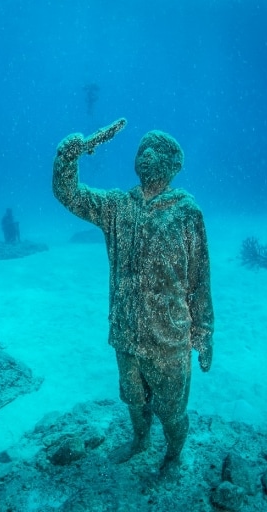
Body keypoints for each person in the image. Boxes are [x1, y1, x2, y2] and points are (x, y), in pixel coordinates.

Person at [52, 119, 214, 470]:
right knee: (133, 399)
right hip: (126, 330)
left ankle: (172, 455)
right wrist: (68, 157)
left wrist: (204, 333)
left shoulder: (187, 214)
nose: (146, 154)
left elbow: (200, 278)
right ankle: (140, 440)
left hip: (169, 335)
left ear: (174, 164)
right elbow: (71, 195)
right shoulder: (117, 207)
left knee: (171, 408)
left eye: (156, 149)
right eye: (141, 148)